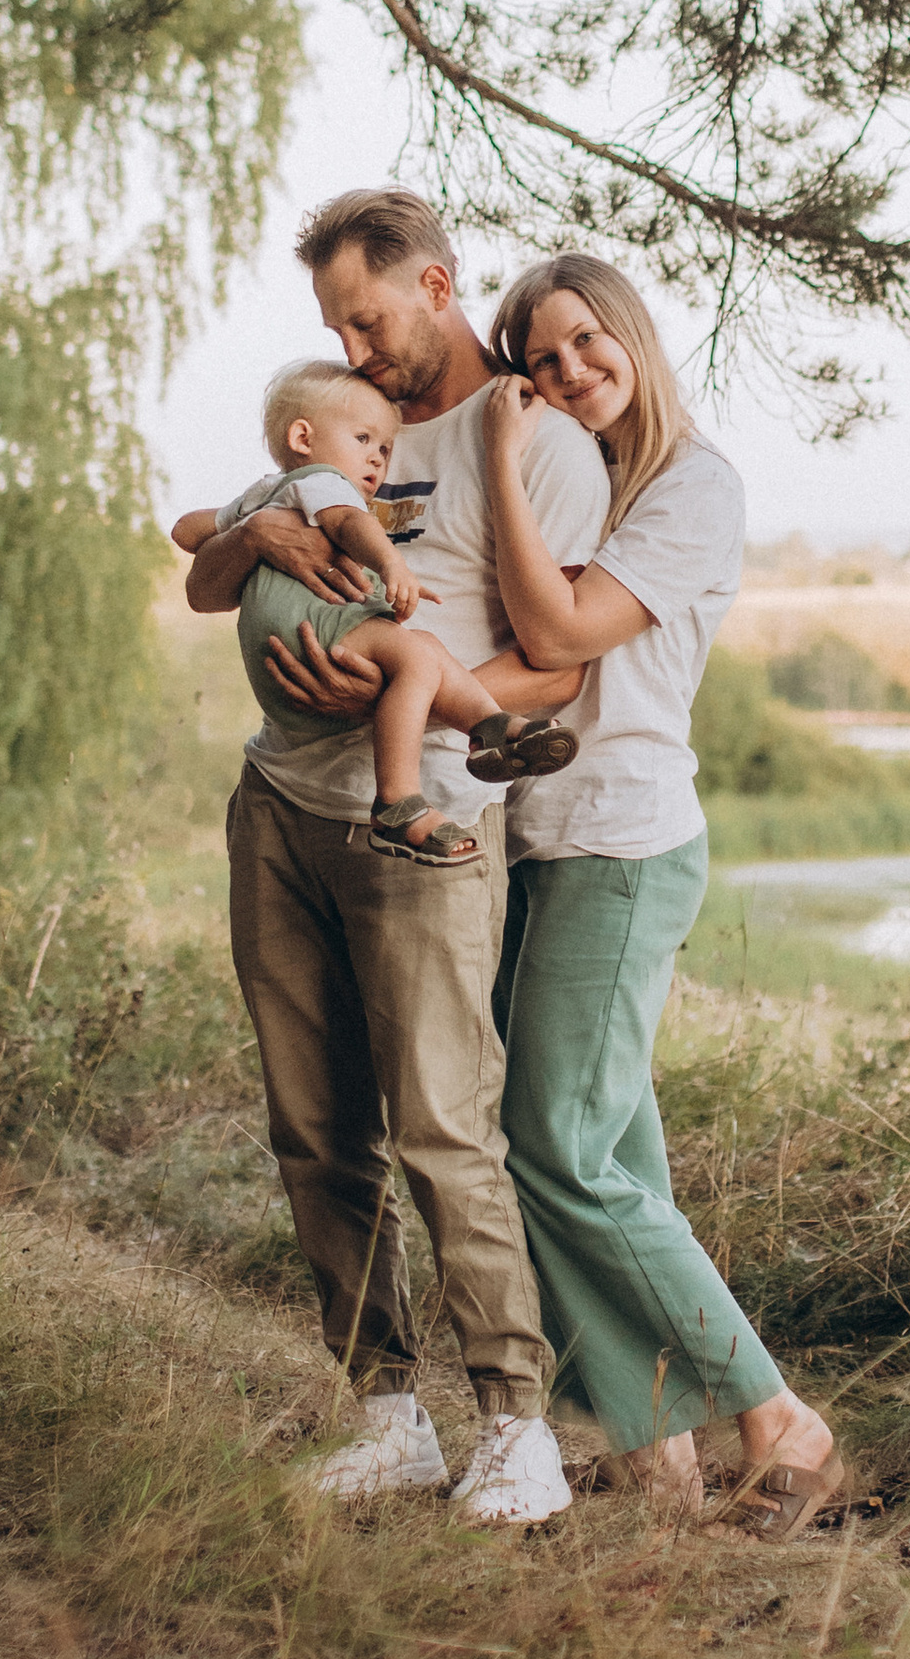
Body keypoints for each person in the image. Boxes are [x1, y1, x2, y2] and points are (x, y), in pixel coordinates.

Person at [184, 187, 608, 1526]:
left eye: (367, 319)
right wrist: (254, 533)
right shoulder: (334, 430)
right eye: (335, 328)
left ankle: (517, 1428)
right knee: (315, 1130)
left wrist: (395, 693)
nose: (354, 349)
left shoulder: (534, 443)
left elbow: (554, 664)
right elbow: (211, 562)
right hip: (278, 808)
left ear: (435, 285)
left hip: (423, 826)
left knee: (441, 1125)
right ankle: (386, 1418)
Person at [478, 251, 846, 1531]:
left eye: (587, 340)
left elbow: (559, 636)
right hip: (534, 841)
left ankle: (777, 1416)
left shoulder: (692, 484)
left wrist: (496, 461)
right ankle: (657, 1455)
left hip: (622, 844)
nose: (571, 370)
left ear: (631, 333)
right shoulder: (575, 479)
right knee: (606, 1154)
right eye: (541, 359)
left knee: (554, 1147)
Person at [169, 357, 581, 863]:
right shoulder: (324, 480)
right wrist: (391, 564)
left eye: (384, 448)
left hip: (286, 659)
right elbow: (350, 524)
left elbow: (186, 531)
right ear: (303, 438)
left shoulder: (265, 492)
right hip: (314, 636)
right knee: (418, 659)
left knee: (425, 648)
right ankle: (398, 803)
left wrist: (244, 522)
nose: (377, 460)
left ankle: (495, 728)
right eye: (363, 439)